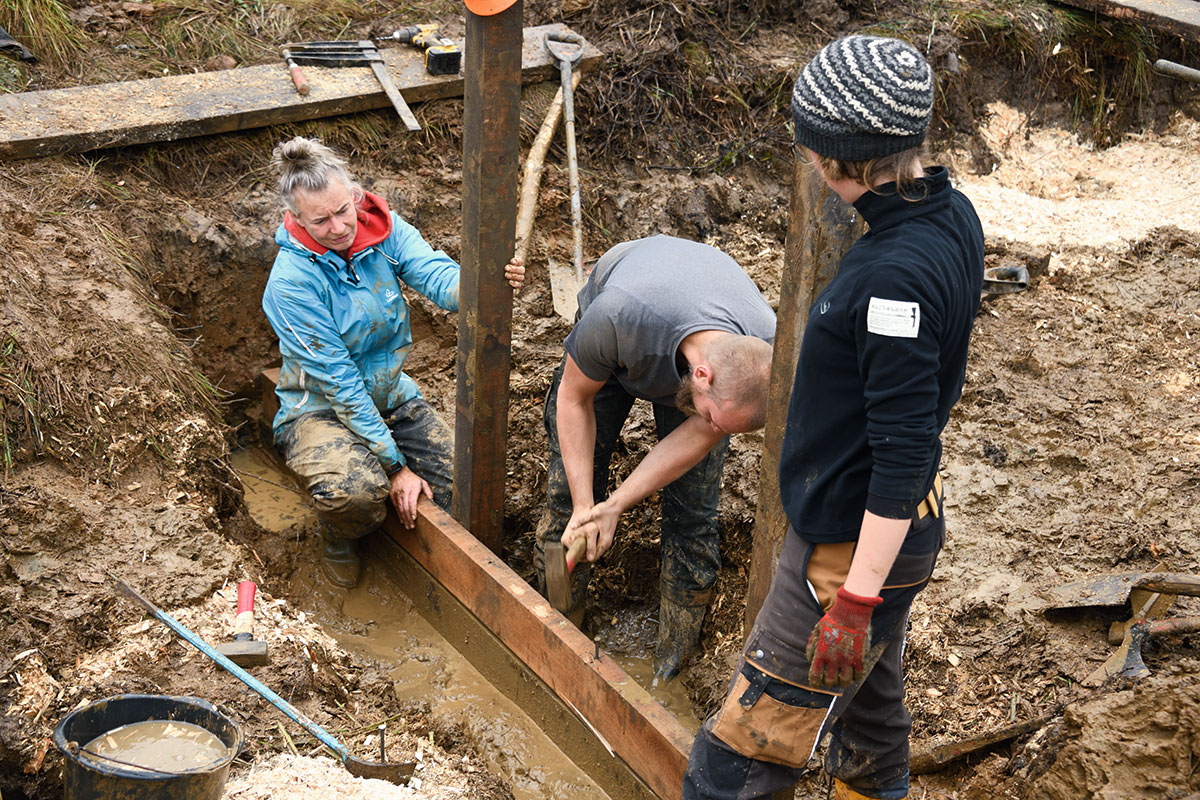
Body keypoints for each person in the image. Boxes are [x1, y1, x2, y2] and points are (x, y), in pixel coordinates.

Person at [682, 36, 984, 800]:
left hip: (851, 552)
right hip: (901, 528)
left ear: (831, 159)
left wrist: (856, 598)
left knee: (742, 760)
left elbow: (904, 443)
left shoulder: (891, 282)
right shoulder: (948, 212)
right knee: (868, 719)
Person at [262, 136, 524, 589]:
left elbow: (436, 276)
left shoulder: (384, 232)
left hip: (390, 397)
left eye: (343, 210)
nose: (339, 226)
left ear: (355, 195)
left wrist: (482, 282)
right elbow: (341, 385)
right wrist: (396, 467)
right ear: (297, 219)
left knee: (463, 485)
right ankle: (340, 536)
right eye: (321, 220)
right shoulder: (291, 284)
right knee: (358, 493)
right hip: (318, 410)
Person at [537, 234, 776, 681]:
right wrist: (590, 506)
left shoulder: (762, 354)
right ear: (701, 376)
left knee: (693, 516)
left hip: (702, 354)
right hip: (624, 341)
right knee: (567, 508)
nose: (719, 435)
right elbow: (573, 399)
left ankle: (670, 673)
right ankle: (558, 628)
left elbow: (703, 432)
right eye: (718, 422)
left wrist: (617, 505)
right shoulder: (618, 317)